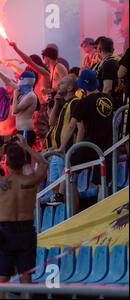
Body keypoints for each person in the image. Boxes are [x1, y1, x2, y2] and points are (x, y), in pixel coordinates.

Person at [0, 136, 48, 299]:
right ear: (23, 162)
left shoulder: (1, 182)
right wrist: (28, 147)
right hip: (26, 230)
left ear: (7, 162)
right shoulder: (31, 181)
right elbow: (44, 164)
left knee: (2, 280)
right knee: (26, 279)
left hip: (6, 231)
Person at [56, 69, 114, 212]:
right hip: (108, 145)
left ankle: (60, 195)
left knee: (69, 165)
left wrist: (62, 148)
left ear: (82, 86)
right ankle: (103, 215)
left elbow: (71, 126)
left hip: (91, 145)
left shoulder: (84, 102)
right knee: (103, 183)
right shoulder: (108, 99)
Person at [46, 74, 82, 206]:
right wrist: (56, 103)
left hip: (66, 151)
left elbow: (79, 127)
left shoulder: (75, 103)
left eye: (62, 83)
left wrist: (75, 149)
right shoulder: (64, 104)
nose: (58, 85)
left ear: (70, 87)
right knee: (55, 189)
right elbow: (51, 122)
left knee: (68, 186)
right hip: (57, 152)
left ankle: (73, 215)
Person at [95, 37, 123, 107]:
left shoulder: (108, 64)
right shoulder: (116, 62)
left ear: (99, 49)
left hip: (108, 107)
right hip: (116, 103)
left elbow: (107, 88)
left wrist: (101, 106)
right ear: (113, 50)